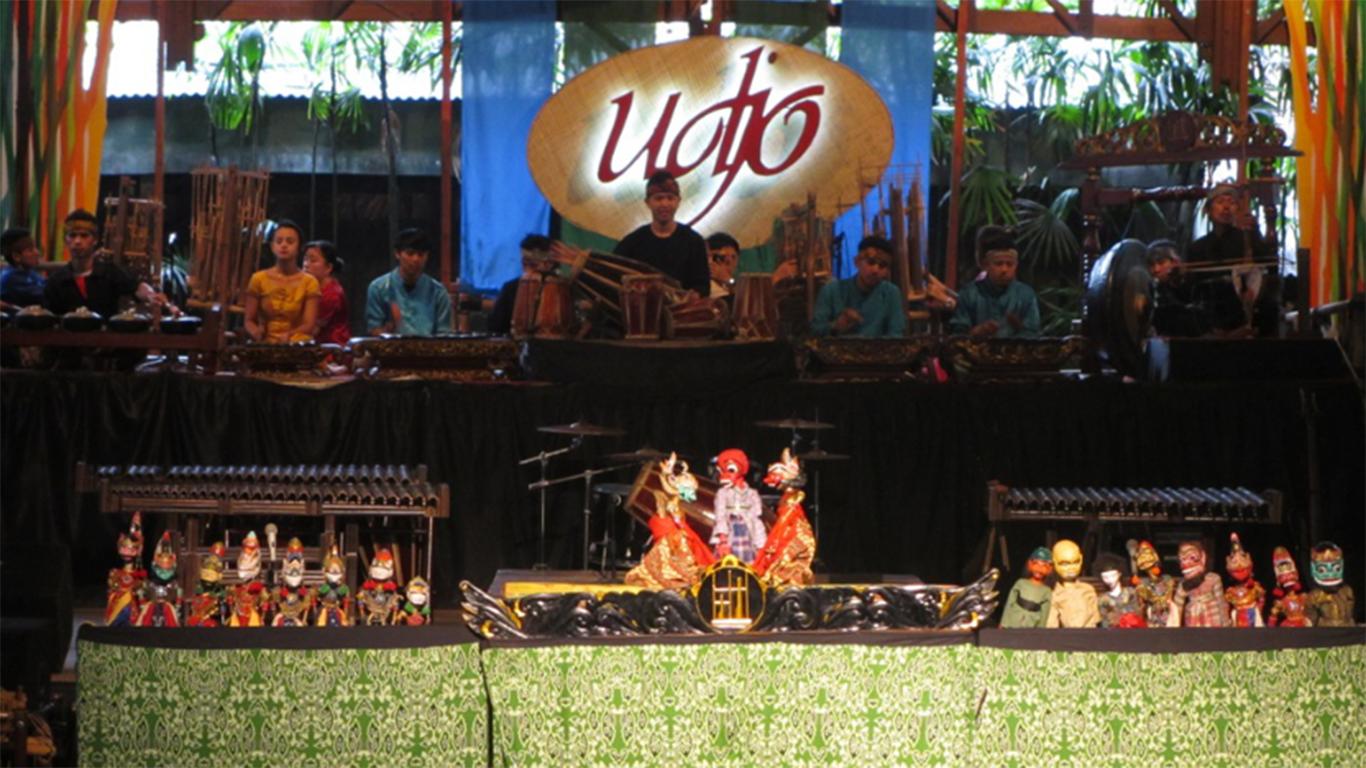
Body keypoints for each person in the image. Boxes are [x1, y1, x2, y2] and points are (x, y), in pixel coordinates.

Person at [1186, 182, 1278, 335]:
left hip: (1242, 312)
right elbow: (1192, 285)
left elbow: (1270, 267)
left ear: (1238, 210)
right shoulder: (1197, 247)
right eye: (1220, 202)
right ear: (1208, 209)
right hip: (1210, 314)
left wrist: (1255, 232)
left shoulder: (1247, 238)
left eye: (1232, 203)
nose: (1226, 208)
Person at [44, 209, 172, 317]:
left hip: (104, 342)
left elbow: (136, 287)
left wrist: (151, 295)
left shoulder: (109, 272)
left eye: (84, 236)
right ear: (66, 240)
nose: (77, 241)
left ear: (95, 240)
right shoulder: (56, 281)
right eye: (72, 235)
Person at [614, 170, 710, 296]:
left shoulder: (693, 241)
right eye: (658, 198)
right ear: (648, 202)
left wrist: (691, 296)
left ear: (678, 201)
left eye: (670, 198)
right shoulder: (632, 242)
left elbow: (703, 286)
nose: (665, 204)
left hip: (680, 312)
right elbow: (615, 277)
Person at [948, 226, 1040, 338]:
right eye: (999, 264)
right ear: (986, 264)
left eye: (1009, 264)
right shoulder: (969, 294)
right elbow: (957, 336)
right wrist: (978, 331)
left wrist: (1019, 328)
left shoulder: (1026, 295)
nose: (1004, 270)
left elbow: (1033, 334)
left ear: (1016, 265)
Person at [810, 235, 906, 337]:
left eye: (882, 265)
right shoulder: (831, 291)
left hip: (878, 352)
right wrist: (836, 326)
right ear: (857, 262)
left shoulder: (891, 293)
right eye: (871, 262)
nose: (875, 270)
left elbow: (896, 335)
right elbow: (815, 331)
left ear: (887, 271)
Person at [365, 228, 452, 336]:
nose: (416, 259)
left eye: (421, 254)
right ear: (397, 254)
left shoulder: (438, 292)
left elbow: (444, 334)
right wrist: (389, 329)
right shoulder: (378, 288)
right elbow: (374, 329)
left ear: (427, 256)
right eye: (410, 253)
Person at [244, 220, 320, 343]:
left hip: (295, 343)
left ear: (299, 247)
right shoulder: (258, 279)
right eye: (279, 241)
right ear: (272, 246)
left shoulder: (310, 282)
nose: (284, 245)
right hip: (265, 342)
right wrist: (256, 332)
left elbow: (309, 325)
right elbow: (249, 320)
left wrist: (289, 335)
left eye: (290, 242)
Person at [488, 234, 554, 335]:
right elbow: (496, 327)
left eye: (533, 265)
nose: (528, 270)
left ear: (549, 264)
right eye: (524, 264)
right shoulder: (510, 289)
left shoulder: (560, 289)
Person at [303, 240, 349, 345]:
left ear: (328, 267)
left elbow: (312, 331)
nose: (306, 265)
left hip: (332, 350)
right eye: (305, 259)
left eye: (313, 260)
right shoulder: (310, 287)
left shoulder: (331, 294)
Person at [1, 227, 46, 309]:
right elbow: (45, 295)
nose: (37, 253)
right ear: (16, 256)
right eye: (30, 250)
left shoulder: (28, 272)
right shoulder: (11, 278)